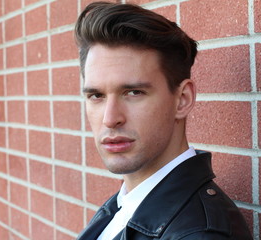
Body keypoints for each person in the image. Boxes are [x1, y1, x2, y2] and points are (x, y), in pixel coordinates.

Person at [74, 1, 253, 240]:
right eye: (96, 95)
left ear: (182, 99)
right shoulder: (127, 204)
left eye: (133, 92)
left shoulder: (198, 234)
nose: (110, 119)